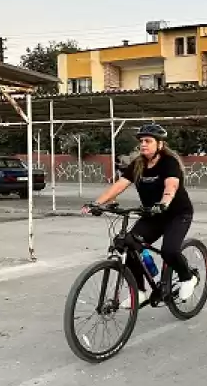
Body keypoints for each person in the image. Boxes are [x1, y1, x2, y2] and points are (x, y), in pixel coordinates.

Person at [82, 123, 197, 308]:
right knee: (127, 244)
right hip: (152, 214)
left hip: (177, 214)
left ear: (159, 144)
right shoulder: (138, 164)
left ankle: (187, 278)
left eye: (148, 141)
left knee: (169, 251)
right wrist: (97, 203)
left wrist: (164, 203)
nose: (143, 144)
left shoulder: (169, 162)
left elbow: (171, 186)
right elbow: (119, 185)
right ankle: (141, 292)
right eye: (141, 141)